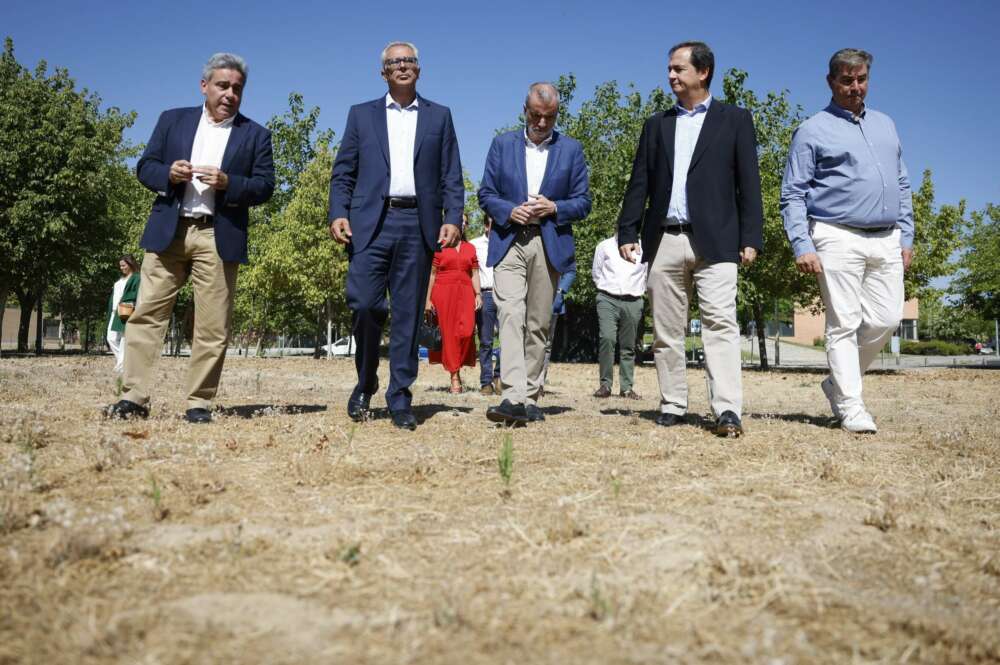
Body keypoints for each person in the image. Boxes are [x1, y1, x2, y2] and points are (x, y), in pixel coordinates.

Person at [106, 53, 275, 423]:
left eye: (237, 88)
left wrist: (230, 183)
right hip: (170, 231)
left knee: (213, 325)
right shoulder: (172, 120)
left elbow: (265, 187)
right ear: (204, 86)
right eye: (222, 85)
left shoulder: (256, 135)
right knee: (146, 314)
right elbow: (144, 167)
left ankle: (199, 403)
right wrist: (168, 173)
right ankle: (133, 397)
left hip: (218, 234)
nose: (230, 93)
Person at [618, 41, 763, 437]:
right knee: (666, 330)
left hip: (717, 241)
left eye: (678, 69)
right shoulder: (657, 124)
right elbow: (640, 182)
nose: (671, 76)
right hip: (664, 238)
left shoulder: (734, 119)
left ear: (703, 72)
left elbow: (749, 183)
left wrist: (752, 235)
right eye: (669, 68)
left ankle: (727, 410)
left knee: (720, 324)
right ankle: (673, 403)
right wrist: (627, 230)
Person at [329, 41, 464, 431]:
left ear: (418, 69)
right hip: (370, 223)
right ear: (383, 72)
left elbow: (451, 174)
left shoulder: (440, 117)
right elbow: (344, 172)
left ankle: (400, 396)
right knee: (365, 305)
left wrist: (452, 216)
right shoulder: (361, 116)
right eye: (394, 62)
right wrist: (338, 212)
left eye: (409, 60)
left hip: (418, 225)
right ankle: (366, 380)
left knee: (408, 315)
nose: (402, 66)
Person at [780, 48, 913, 434]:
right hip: (835, 234)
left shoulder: (886, 124)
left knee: (887, 319)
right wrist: (801, 244)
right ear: (831, 82)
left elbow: (901, 183)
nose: (855, 87)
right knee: (844, 323)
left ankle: (838, 382)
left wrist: (906, 233)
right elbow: (793, 193)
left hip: (887, 236)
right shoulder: (812, 130)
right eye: (847, 80)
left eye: (861, 79)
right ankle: (851, 407)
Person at [479, 82, 592, 425]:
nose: (542, 123)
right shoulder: (502, 145)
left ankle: (530, 397)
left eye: (550, 117)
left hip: (549, 243)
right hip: (509, 240)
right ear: (524, 111)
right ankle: (512, 396)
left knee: (538, 323)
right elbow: (486, 193)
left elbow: (583, 202)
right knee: (510, 315)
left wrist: (554, 207)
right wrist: (509, 211)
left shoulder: (571, 150)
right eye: (536, 115)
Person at [425, 215, 483, 393]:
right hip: (443, 293)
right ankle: (454, 376)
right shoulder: (439, 246)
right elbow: (432, 274)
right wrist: (427, 300)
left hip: (466, 293)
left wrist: (478, 294)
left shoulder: (470, 248)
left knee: (467, 331)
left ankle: (456, 367)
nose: (463, 225)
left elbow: (474, 273)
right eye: (460, 222)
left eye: (465, 222)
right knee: (449, 335)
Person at [591, 234, 647, 399]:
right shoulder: (604, 246)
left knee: (628, 345)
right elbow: (597, 272)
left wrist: (638, 291)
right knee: (607, 339)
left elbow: (647, 272)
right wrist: (607, 289)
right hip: (608, 299)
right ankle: (605, 385)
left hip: (633, 300)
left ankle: (627, 388)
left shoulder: (645, 247)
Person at [470, 215, 501, 394]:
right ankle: (486, 382)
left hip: (505, 295)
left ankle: (500, 378)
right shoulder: (475, 245)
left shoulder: (507, 243)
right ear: (485, 226)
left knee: (507, 340)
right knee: (486, 341)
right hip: (486, 294)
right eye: (492, 224)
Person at [540, 263, 576, 390]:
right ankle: (526, 381)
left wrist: (560, 292)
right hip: (532, 301)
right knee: (529, 342)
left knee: (547, 344)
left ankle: (539, 384)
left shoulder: (560, 245)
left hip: (553, 302)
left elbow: (571, 270)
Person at [106, 254, 140, 374]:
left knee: (124, 339)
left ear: (130, 264)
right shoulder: (120, 279)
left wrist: (132, 304)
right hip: (115, 311)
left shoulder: (136, 278)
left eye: (124, 265)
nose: (122, 268)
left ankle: (121, 367)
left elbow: (137, 294)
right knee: (110, 338)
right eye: (120, 266)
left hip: (127, 310)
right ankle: (124, 363)